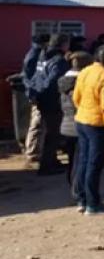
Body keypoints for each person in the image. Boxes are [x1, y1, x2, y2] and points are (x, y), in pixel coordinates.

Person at [73, 45, 104, 215]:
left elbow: (76, 96)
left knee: (84, 161)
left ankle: (82, 199)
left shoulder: (85, 71)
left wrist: (82, 111)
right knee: (94, 164)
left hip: (82, 119)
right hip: (97, 124)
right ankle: (93, 203)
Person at [30, 34, 71, 176]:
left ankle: (51, 160)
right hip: (53, 101)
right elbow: (55, 82)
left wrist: (35, 93)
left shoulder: (43, 57)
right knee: (52, 134)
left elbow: (36, 77)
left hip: (43, 99)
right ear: (62, 44)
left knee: (48, 132)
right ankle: (47, 166)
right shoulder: (59, 61)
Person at [59, 51, 93, 205]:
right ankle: (78, 191)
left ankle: (72, 187)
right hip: (80, 124)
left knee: (72, 159)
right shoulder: (81, 82)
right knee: (81, 160)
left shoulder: (62, 81)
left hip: (66, 124)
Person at [22, 34, 50, 166]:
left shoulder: (36, 53)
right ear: (44, 43)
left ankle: (35, 150)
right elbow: (30, 78)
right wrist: (34, 94)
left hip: (37, 93)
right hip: (36, 93)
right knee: (37, 123)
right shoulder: (34, 56)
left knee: (39, 123)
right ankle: (32, 152)